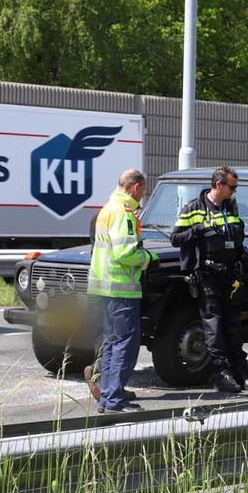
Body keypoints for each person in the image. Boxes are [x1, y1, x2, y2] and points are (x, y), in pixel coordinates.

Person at [170, 166, 248, 393]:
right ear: (219, 185)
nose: (234, 191)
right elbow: (175, 238)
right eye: (232, 187)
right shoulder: (194, 208)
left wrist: (242, 259)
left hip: (230, 275)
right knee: (214, 327)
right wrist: (196, 230)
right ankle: (220, 373)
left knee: (234, 326)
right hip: (207, 276)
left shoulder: (233, 207)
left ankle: (241, 370)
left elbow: (238, 239)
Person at [88, 169, 157, 413]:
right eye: (143, 191)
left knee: (111, 342)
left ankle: (107, 396)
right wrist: (148, 257)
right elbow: (125, 253)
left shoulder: (107, 208)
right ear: (136, 187)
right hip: (121, 289)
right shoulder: (124, 213)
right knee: (125, 343)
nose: (142, 197)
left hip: (104, 287)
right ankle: (115, 399)